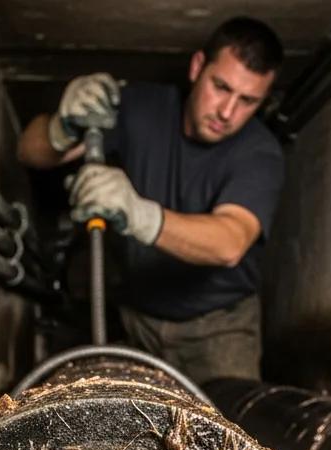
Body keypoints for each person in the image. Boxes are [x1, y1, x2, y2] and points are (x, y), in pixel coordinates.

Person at [17, 17, 285, 382]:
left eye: (248, 101)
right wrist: (61, 127)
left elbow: (230, 242)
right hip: (136, 322)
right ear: (196, 68)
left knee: (230, 430)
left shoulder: (260, 153)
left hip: (219, 330)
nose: (227, 112)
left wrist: (137, 213)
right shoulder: (140, 108)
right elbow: (29, 152)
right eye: (221, 87)